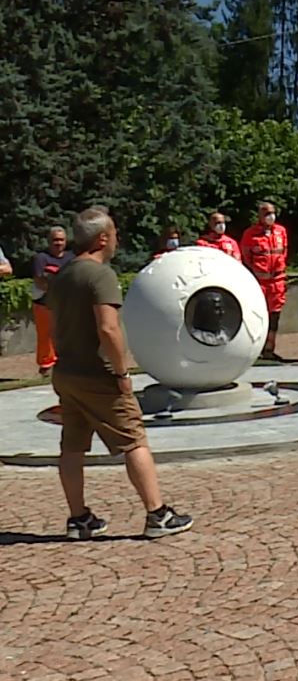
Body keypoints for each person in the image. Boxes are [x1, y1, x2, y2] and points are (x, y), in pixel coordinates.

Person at [47, 206, 193, 540]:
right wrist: (121, 371)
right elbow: (108, 328)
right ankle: (157, 515)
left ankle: (79, 519)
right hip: (98, 375)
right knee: (134, 439)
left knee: (72, 446)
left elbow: (55, 324)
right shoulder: (100, 275)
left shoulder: (64, 275)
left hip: (66, 372)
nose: (117, 240)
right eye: (113, 234)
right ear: (102, 239)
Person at [240, 201, 289, 362]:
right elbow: (246, 258)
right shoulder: (250, 234)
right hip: (260, 281)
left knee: (275, 315)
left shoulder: (281, 232)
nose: (270, 216)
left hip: (277, 280)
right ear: (260, 215)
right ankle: (256, 349)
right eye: (266, 213)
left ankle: (270, 348)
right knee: (258, 315)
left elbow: (284, 252)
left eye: (272, 212)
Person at [29, 226, 74, 379]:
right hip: (44, 303)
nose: (58, 243)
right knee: (46, 335)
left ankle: (68, 363)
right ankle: (46, 366)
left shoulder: (71, 257)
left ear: (66, 241)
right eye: (55, 240)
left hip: (66, 302)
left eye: (61, 240)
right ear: (49, 241)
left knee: (68, 333)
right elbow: (40, 281)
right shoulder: (41, 258)